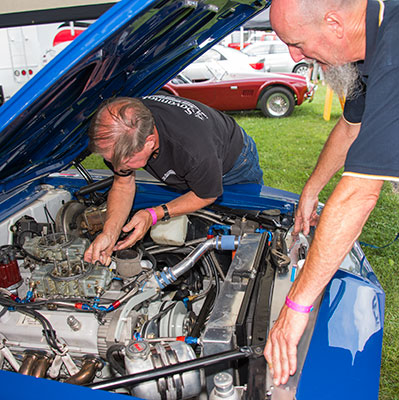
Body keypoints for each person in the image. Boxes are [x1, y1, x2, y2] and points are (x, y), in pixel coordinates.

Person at [264, 0, 399, 387]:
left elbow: (359, 194)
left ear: (334, 24)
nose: (295, 55)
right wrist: (311, 190)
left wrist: (295, 307)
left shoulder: (393, 55)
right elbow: (350, 126)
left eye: (298, 43)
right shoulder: (362, 51)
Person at [84, 94, 263, 265]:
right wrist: (109, 234)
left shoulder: (194, 151)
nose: (117, 169)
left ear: (149, 142)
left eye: (124, 162)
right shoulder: (125, 122)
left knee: (244, 224)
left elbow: (206, 195)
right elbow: (123, 183)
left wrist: (153, 214)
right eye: (110, 161)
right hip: (193, 159)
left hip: (235, 164)